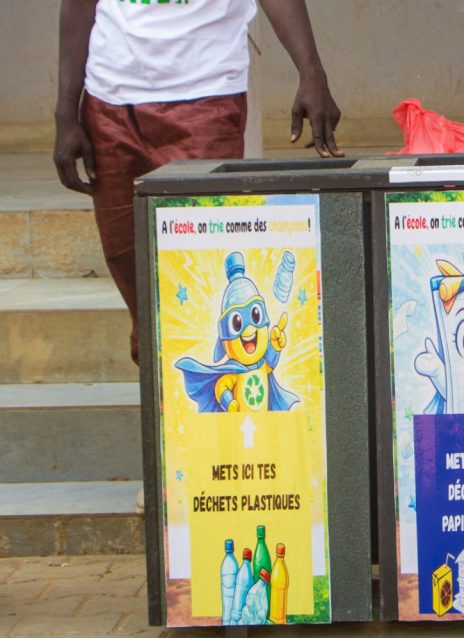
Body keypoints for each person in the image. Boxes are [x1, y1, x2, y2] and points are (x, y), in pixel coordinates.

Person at [53, 0, 344, 365]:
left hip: (206, 98)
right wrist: (66, 110)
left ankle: (211, 387)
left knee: (201, 272)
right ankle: (159, 387)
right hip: (108, 102)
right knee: (130, 267)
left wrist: (311, 72)